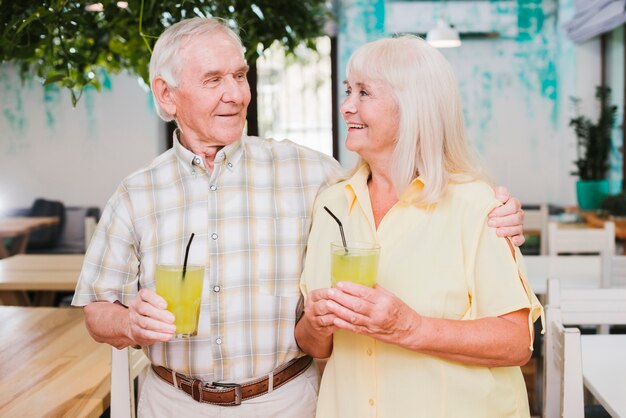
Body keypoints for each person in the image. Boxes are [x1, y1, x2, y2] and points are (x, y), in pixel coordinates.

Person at [72, 18, 525, 417]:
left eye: (240, 75)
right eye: (214, 80)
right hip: (171, 402)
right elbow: (97, 310)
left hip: (286, 400)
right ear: (167, 95)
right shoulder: (136, 193)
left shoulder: (314, 176)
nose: (235, 93)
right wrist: (130, 322)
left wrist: (498, 210)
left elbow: (403, 176)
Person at [295, 35, 543, 418]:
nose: (346, 106)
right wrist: (315, 323)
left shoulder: (475, 204)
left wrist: (410, 327)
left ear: (412, 107)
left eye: (364, 93)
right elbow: (317, 345)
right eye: (348, 91)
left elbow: (516, 343)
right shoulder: (331, 205)